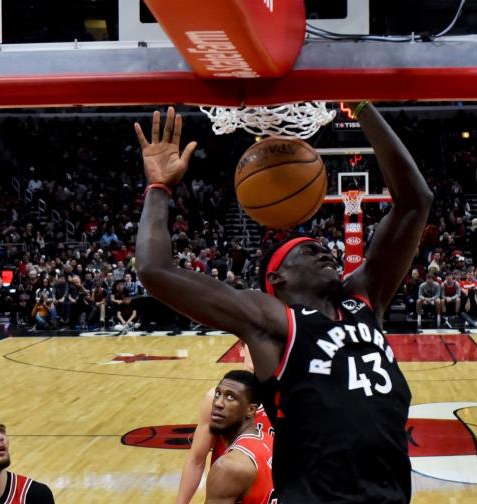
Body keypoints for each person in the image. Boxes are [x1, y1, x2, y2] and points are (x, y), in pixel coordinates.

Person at [136, 105, 431, 503]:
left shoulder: (364, 300)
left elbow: (416, 200)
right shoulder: (272, 321)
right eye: (309, 251)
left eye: (325, 248)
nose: (326, 252)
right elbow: (155, 270)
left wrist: (361, 107)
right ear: (277, 278)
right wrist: (159, 189)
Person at [178, 344, 267, 503]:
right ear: (240, 349)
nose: (257, 351)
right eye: (251, 345)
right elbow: (196, 459)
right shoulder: (215, 399)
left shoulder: (286, 398)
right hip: (228, 490)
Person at [204, 370, 274, 504]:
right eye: (218, 393)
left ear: (251, 410)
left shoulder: (228, 467)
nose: (218, 403)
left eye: (231, 397)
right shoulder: (271, 441)